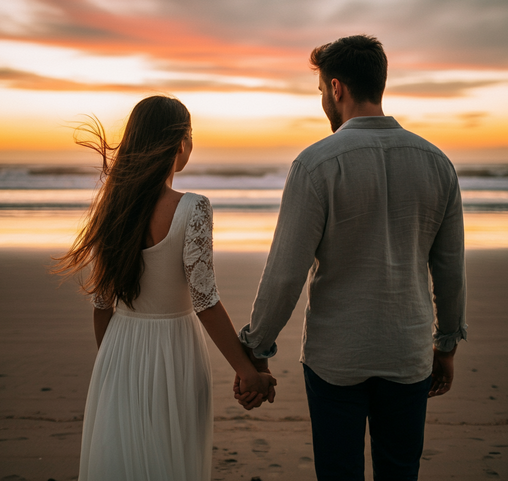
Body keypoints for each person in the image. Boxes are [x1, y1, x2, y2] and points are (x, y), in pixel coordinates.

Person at [236, 35, 467, 480]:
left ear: (336, 88)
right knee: (400, 472)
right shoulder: (438, 164)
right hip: (407, 352)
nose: (323, 99)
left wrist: (257, 348)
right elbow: (450, 271)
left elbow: (286, 273)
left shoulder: (315, 164)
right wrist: (447, 345)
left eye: (322, 90)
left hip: (335, 359)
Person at [54, 95, 276, 481]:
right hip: (175, 349)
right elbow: (205, 301)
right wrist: (246, 370)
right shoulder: (193, 208)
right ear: (181, 144)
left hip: (118, 349)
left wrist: (113, 366)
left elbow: (102, 304)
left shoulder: (113, 209)